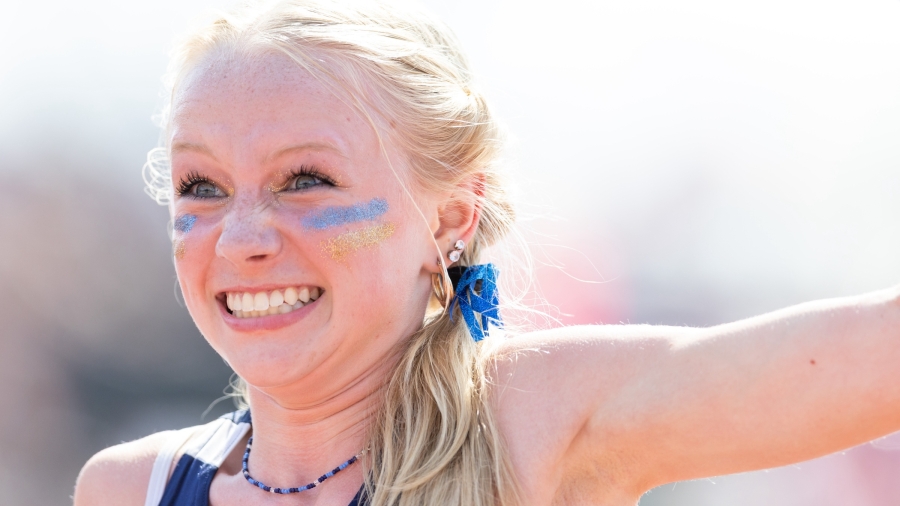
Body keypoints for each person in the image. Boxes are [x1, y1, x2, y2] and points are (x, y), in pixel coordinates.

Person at [73, 1, 900, 505]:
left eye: (306, 179)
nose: (244, 238)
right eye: (202, 188)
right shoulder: (126, 489)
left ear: (449, 219)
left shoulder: (534, 423)